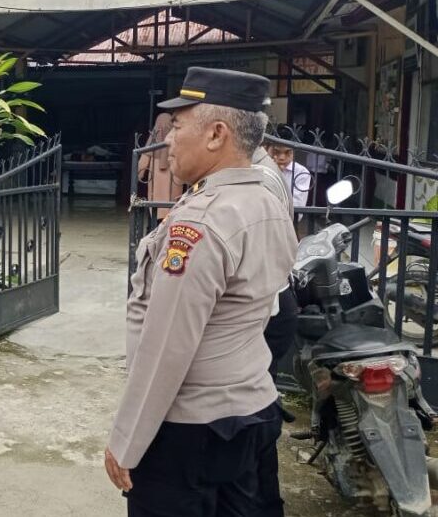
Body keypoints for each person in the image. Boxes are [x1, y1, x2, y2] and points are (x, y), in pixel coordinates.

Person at [104, 67, 298, 516]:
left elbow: (167, 347)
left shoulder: (202, 222)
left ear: (216, 134)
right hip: (253, 411)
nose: (168, 140)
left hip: (192, 432)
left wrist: (127, 440)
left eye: (177, 126)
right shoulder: (267, 202)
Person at [138, 112, 184, 221]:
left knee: (156, 207)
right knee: (172, 208)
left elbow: (140, 169)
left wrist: (139, 176)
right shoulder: (178, 146)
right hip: (175, 186)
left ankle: (156, 223)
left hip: (156, 188)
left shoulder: (152, 145)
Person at [266, 143, 312, 208]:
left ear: (293, 152)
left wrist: (279, 174)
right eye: (276, 152)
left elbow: (297, 205)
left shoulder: (301, 172)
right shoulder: (264, 168)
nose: (282, 157)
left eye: (287, 152)